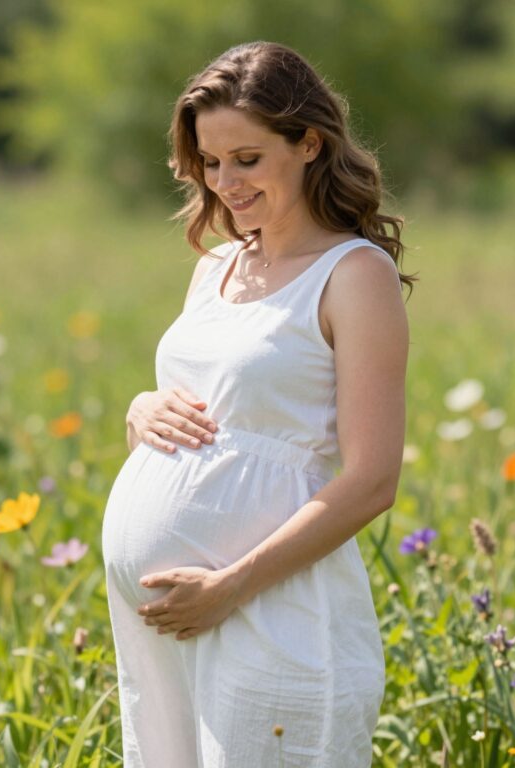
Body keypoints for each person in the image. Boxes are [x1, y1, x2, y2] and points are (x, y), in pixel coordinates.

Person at [100, 41, 413, 767]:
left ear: (308, 143)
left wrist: (227, 587)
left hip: (270, 612)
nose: (225, 181)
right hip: (166, 627)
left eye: (247, 158)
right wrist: (140, 411)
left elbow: (372, 481)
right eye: (210, 162)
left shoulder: (352, 274)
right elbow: (215, 423)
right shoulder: (215, 268)